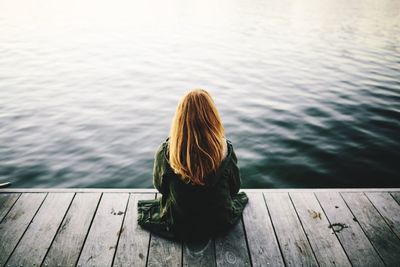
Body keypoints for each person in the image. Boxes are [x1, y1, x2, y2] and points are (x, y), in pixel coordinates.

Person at [137, 89, 248, 241]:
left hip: (180, 224)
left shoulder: (166, 152)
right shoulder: (225, 150)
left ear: (180, 119)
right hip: (220, 222)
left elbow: (160, 188)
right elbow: (234, 189)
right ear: (212, 117)